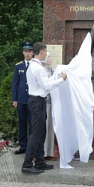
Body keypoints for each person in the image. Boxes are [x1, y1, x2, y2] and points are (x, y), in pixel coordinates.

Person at [22, 42, 67, 174]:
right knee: (36, 134)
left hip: (37, 101)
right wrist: (61, 80)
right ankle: (27, 165)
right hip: (37, 102)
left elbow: (45, 83)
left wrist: (56, 77)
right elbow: (47, 86)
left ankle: (40, 162)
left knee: (41, 133)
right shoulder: (38, 68)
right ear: (41, 52)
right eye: (45, 51)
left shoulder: (34, 66)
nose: (46, 54)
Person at [11, 41, 33, 155]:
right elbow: (15, 83)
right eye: (26, 51)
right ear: (23, 52)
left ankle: (30, 146)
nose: (27, 53)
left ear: (33, 52)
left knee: (32, 124)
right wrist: (14, 99)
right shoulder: (18, 66)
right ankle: (23, 146)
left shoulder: (35, 65)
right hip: (21, 99)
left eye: (29, 51)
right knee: (22, 123)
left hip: (32, 99)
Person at [42, 52, 57, 160]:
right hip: (43, 103)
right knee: (43, 129)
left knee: (51, 128)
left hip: (52, 103)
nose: (50, 59)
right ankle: (40, 153)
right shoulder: (41, 72)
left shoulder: (53, 71)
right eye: (48, 57)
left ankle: (49, 152)